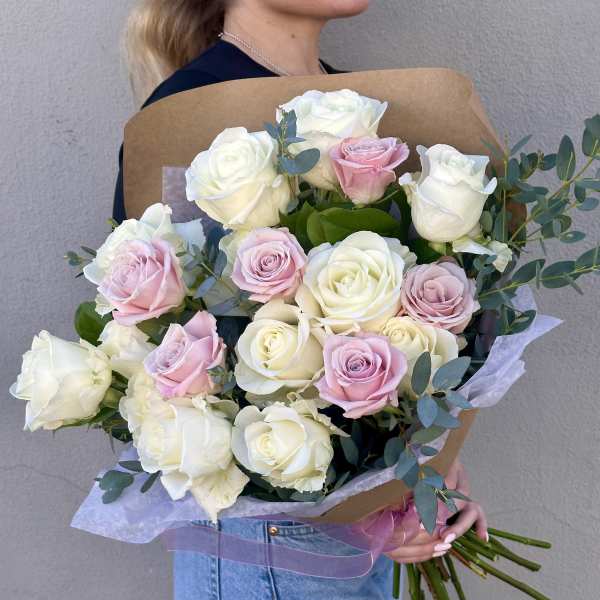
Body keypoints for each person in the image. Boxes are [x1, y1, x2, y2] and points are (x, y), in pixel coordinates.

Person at [116, 2, 488, 598]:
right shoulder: (193, 107)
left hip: (358, 529)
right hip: (268, 536)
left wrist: (426, 469)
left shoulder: (351, 104)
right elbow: (168, 346)